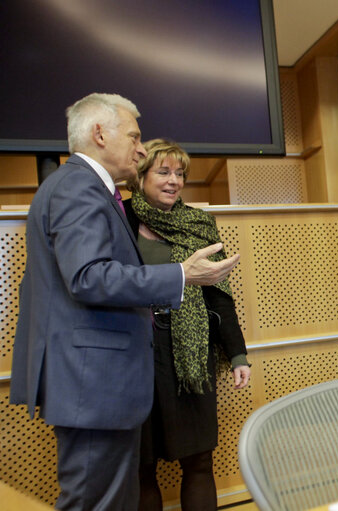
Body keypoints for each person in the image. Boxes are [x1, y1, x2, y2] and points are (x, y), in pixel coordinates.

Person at [9, 93, 240, 511]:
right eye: (134, 136)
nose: (139, 147)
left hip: (96, 382)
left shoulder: (80, 187)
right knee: (97, 501)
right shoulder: (79, 187)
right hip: (93, 382)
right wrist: (182, 274)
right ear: (100, 133)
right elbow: (88, 276)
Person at [123, 139, 250, 510]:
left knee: (198, 460)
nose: (174, 181)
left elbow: (218, 295)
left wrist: (238, 354)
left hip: (192, 356)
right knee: (141, 465)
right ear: (141, 176)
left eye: (180, 174)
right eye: (163, 172)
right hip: (135, 355)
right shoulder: (119, 218)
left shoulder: (199, 222)